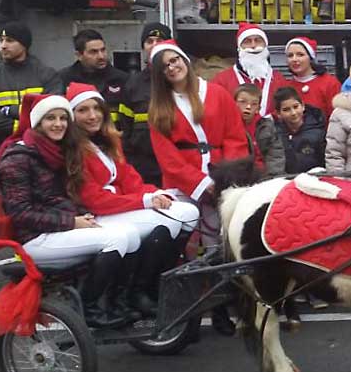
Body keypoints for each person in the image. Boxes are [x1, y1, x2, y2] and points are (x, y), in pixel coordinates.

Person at [0, 94, 138, 329]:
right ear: (38, 123)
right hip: (35, 239)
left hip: (59, 230)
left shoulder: (57, 151)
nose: (58, 124)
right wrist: (73, 222)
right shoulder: (17, 159)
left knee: (131, 234)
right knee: (117, 238)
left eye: (62, 118)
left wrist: (81, 215)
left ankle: (115, 303)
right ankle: (88, 308)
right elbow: (20, 214)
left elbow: (67, 196)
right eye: (50, 118)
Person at [66, 82, 199, 318]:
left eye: (96, 108)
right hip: (97, 216)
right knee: (169, 222)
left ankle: (153, 282)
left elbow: (129, 179)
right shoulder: (74, 149)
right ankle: (136, 291)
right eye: (83, 110)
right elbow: (95, 200)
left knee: (189, 213)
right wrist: (146, 201)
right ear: (72, 116)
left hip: (118, 208)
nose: (92, 115)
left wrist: (156, 194)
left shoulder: (107, 140)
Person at [148, 40, 249, 250]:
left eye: (174, 60)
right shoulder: (159, 108)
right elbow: (168, 158)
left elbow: (235, 137)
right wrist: (201, 184)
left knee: (221, 240)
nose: (172, 67)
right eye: (164, 66)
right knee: (185, 242)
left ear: (183, 59)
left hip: (220, 176)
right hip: (182, 182)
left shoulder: (217, 93)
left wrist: (225, 178)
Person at [0, 21, 63, 148]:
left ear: (24, 44)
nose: (3, 46)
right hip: (5, 151)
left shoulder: (47, 75)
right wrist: (29, 124)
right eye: (0, 40)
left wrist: (9, 112)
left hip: (43, 149)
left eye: (10, 40)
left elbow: (52, 113)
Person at [116, 22, 171, 185]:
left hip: (177, 165)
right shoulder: (132, 85)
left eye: (159, 41)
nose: (154, 46)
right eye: (149, 41)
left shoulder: (180, 81)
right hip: (143, 168)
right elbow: (124, 130)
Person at [212, 23, 294, 118]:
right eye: (247, 41)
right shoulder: (222, 80)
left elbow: (288, 108)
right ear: (239, 48)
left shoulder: (279, 79)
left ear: (265, 45)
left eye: (258, 40)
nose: (253, 46)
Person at [59, 28, 129, 109]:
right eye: (93, 52)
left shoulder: (122, 79)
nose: (101, 56)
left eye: (103, 50)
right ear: (79, 55)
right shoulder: (64, 79)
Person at [234, 83, 285, 177]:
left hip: (264, 177)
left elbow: (275, 155)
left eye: (253, 104)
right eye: (243, 102)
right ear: (233, 104)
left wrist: (272, 177)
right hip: (239, 176)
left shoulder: (266, 126)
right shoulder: (229, 126)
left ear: (258, 109)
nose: (248, 107)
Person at [274, 86, 328, 175]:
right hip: (284, 181)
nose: (293, 113)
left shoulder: (318, 132)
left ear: (303, 106)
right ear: (278, 113)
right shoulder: (275, 134)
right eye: (286, 110)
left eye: (296, 107)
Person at [284, 36, 340, 119]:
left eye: (300, 55)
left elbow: (337, 117)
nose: (294, 59)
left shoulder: (330, 83)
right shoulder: (286, 87)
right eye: (290, 55)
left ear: (310, 58)